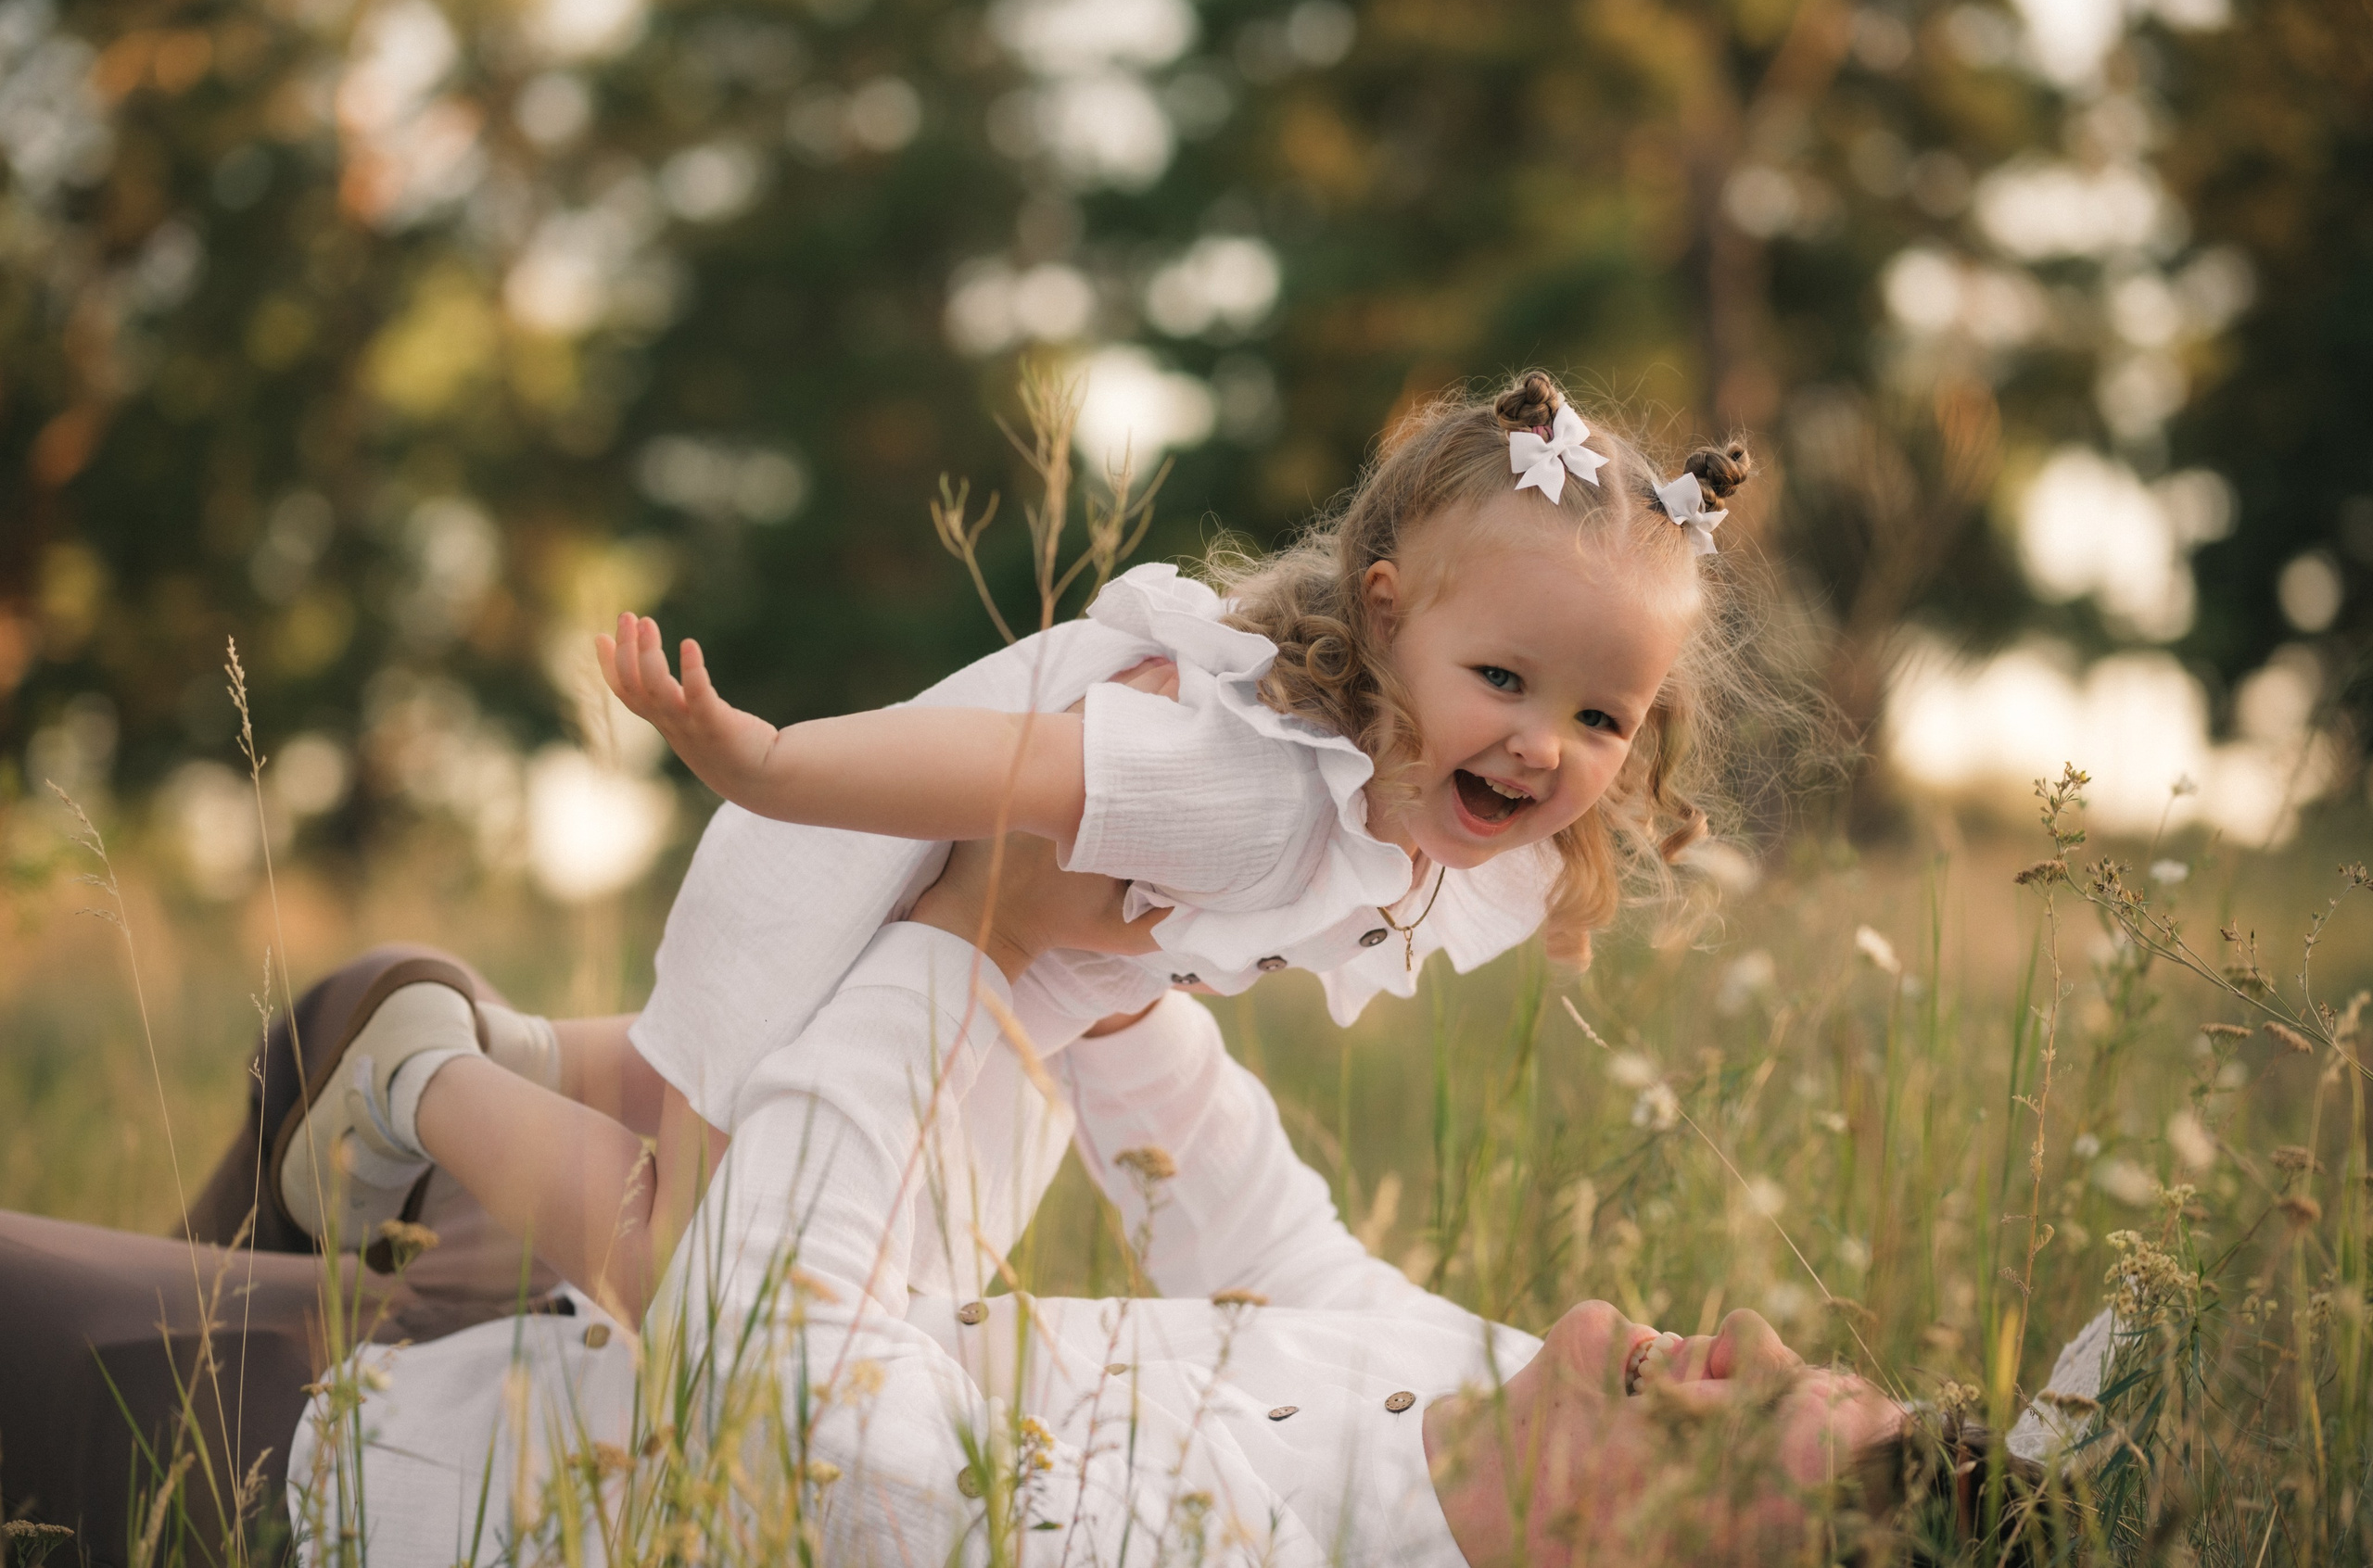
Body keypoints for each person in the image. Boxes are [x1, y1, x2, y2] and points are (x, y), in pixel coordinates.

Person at [269, 370, 1770, 1329]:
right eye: (1504, 683)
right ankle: (419, 1079)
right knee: (702, 1280)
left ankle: (503, 1044)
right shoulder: (1244, 781)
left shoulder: (1460, 803)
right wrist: (766, 757)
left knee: (702, 1088)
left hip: (996, 953)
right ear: (1386, 614)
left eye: (1602, 715)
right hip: (871, 874)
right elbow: (1001, 763)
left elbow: (1525, 824)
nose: (1544, 747)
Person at [277, 833, 1930, 1568]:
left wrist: (975, 932)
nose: (1762, 1331)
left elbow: (762, 1368)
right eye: (1827, 1364)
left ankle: (424, 1084)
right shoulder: (1487, 1378)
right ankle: (437, 1075)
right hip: (554, 1320)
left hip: (387, 1482)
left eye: (1782, 1416)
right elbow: (1270, 1242)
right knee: (1013, 1077)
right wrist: (1122, 960)